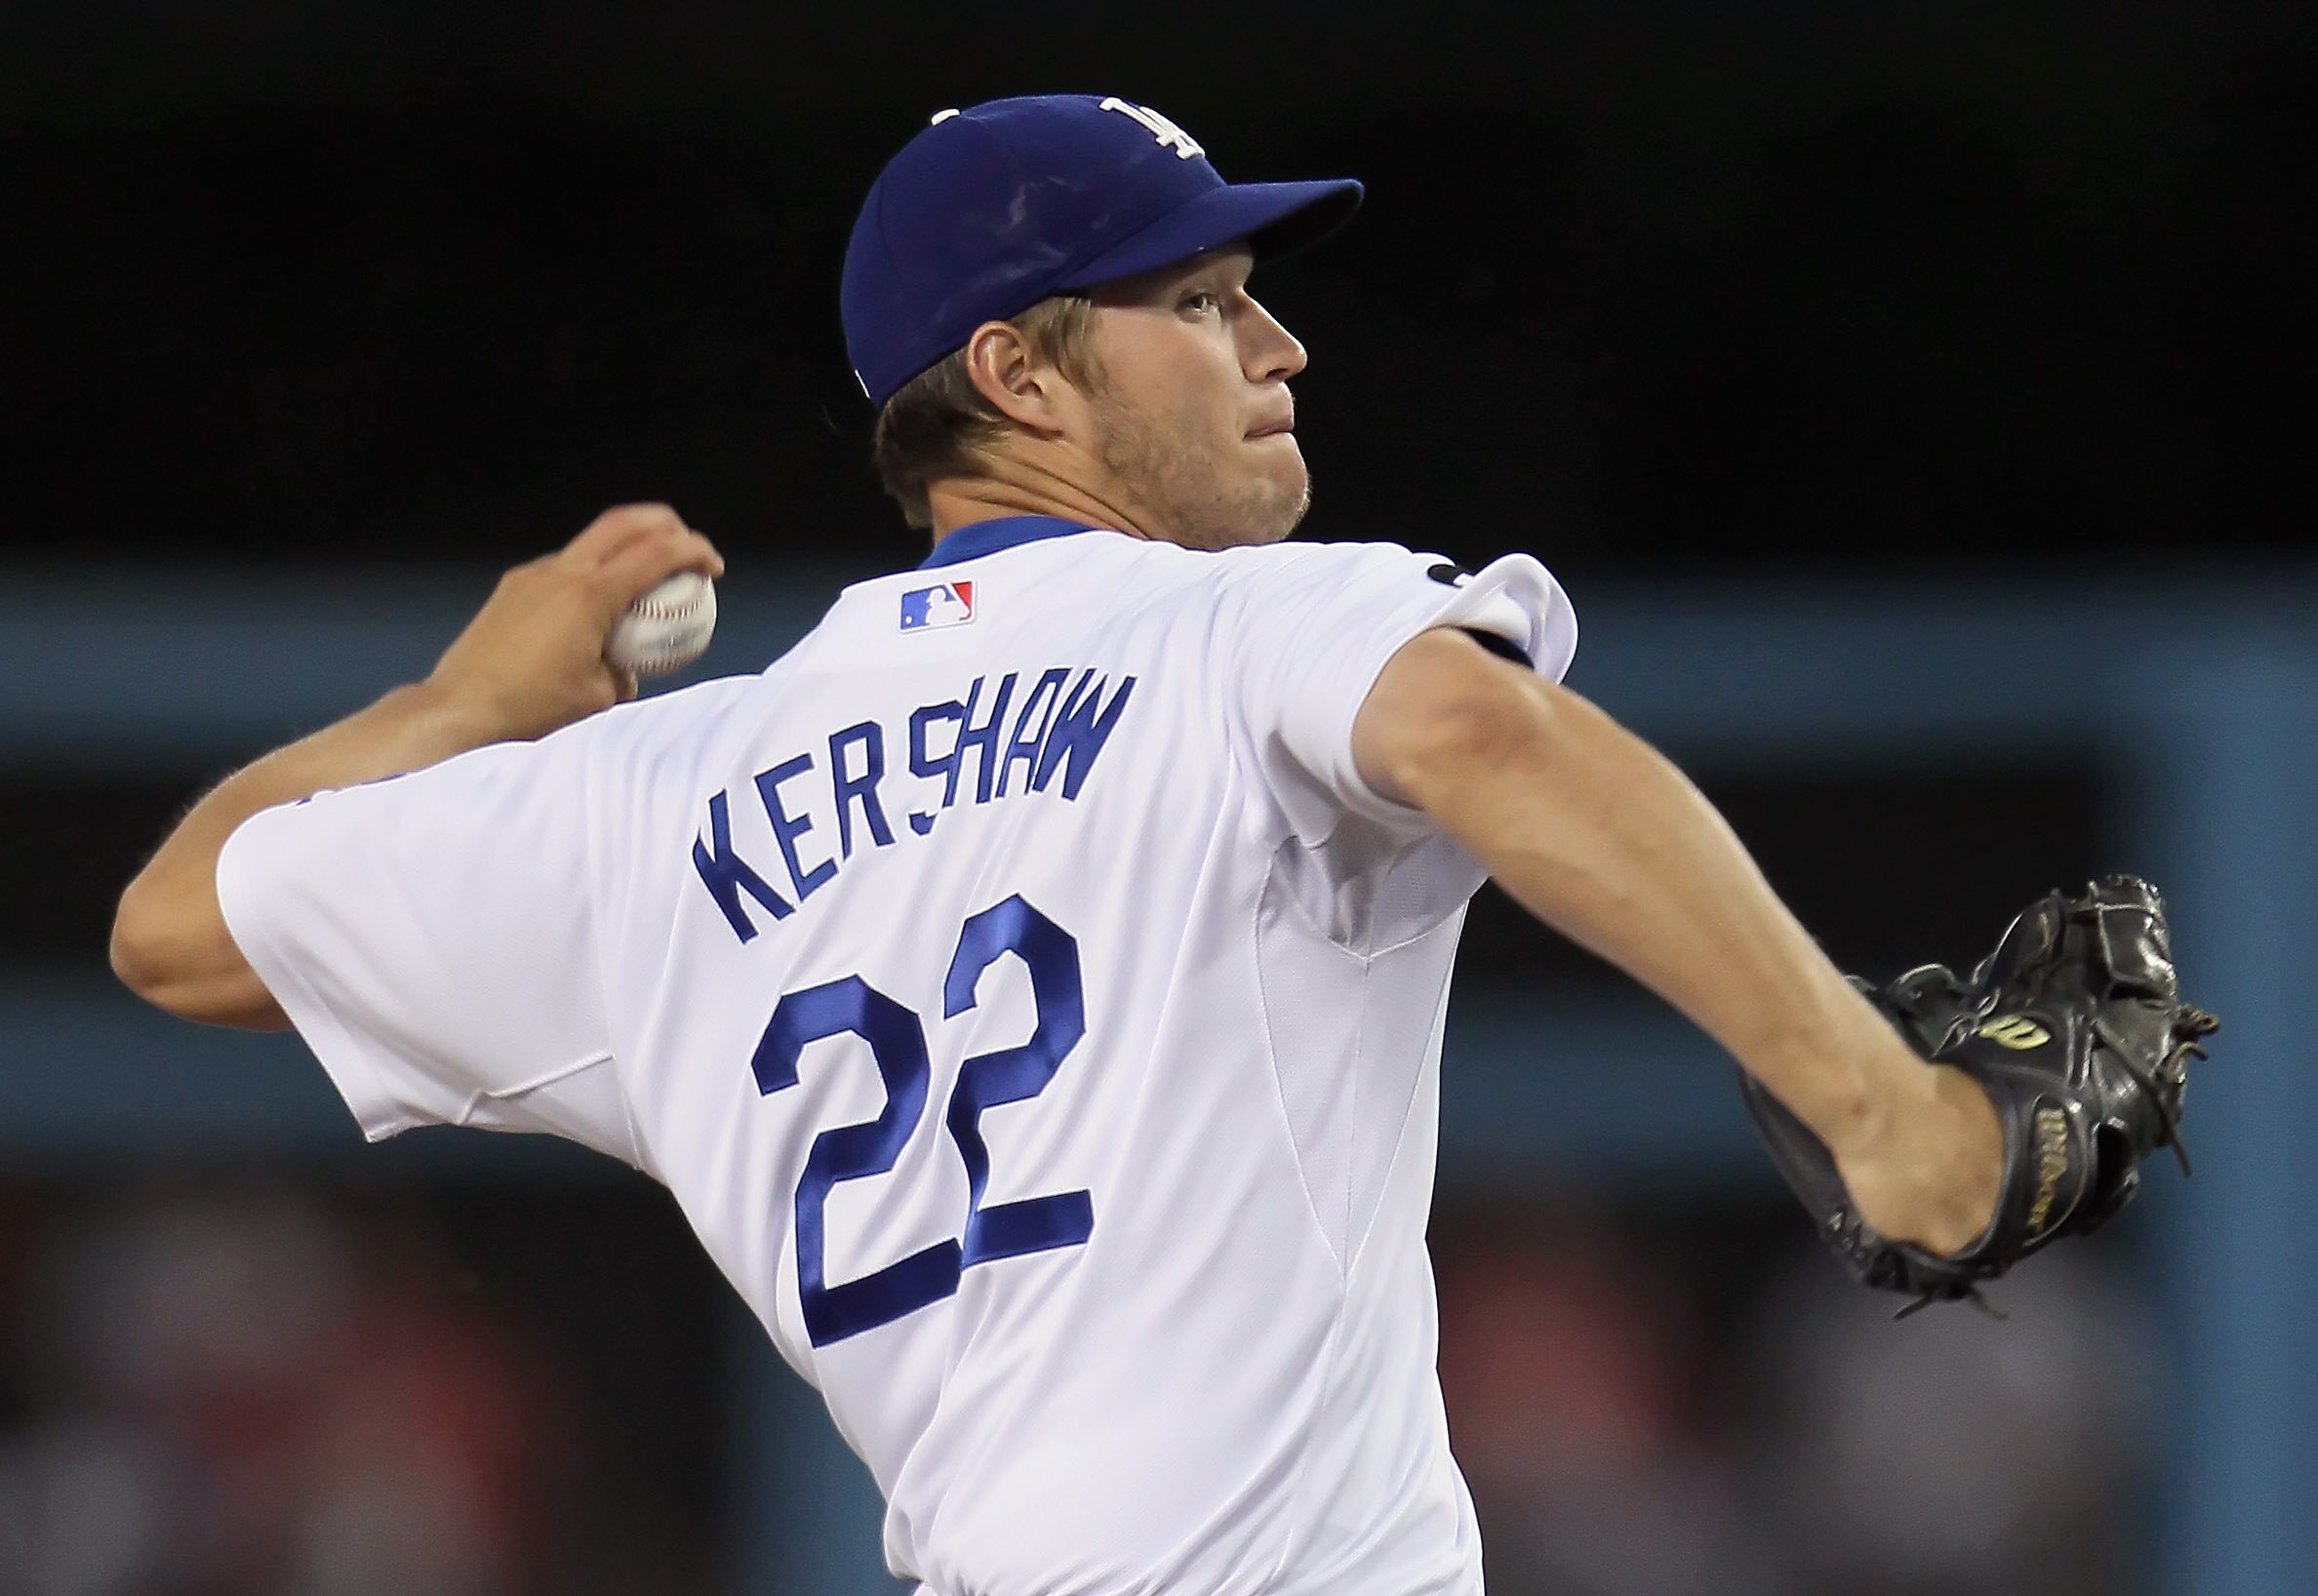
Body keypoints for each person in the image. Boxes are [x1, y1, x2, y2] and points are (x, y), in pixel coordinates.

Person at [110, 94, 2001, 1596]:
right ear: (1018, 374)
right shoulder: (1237, 626)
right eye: (1198, 302)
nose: (1280, 340)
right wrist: (1868, 1087)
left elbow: (177, 926)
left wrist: (462, 698)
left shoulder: (662, 795)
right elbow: (1478, 726)